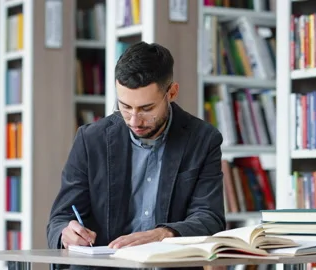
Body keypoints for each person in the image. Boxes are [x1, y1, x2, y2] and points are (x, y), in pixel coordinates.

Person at [46, 41, 226, 270]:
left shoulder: (203, 139)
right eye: (125, 106)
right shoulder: (91, 139)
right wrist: (66, 233)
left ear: (172, 93)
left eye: (146, 109)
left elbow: (210, 218)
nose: (133, 120)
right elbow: (60, 217)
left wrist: (163, 235)